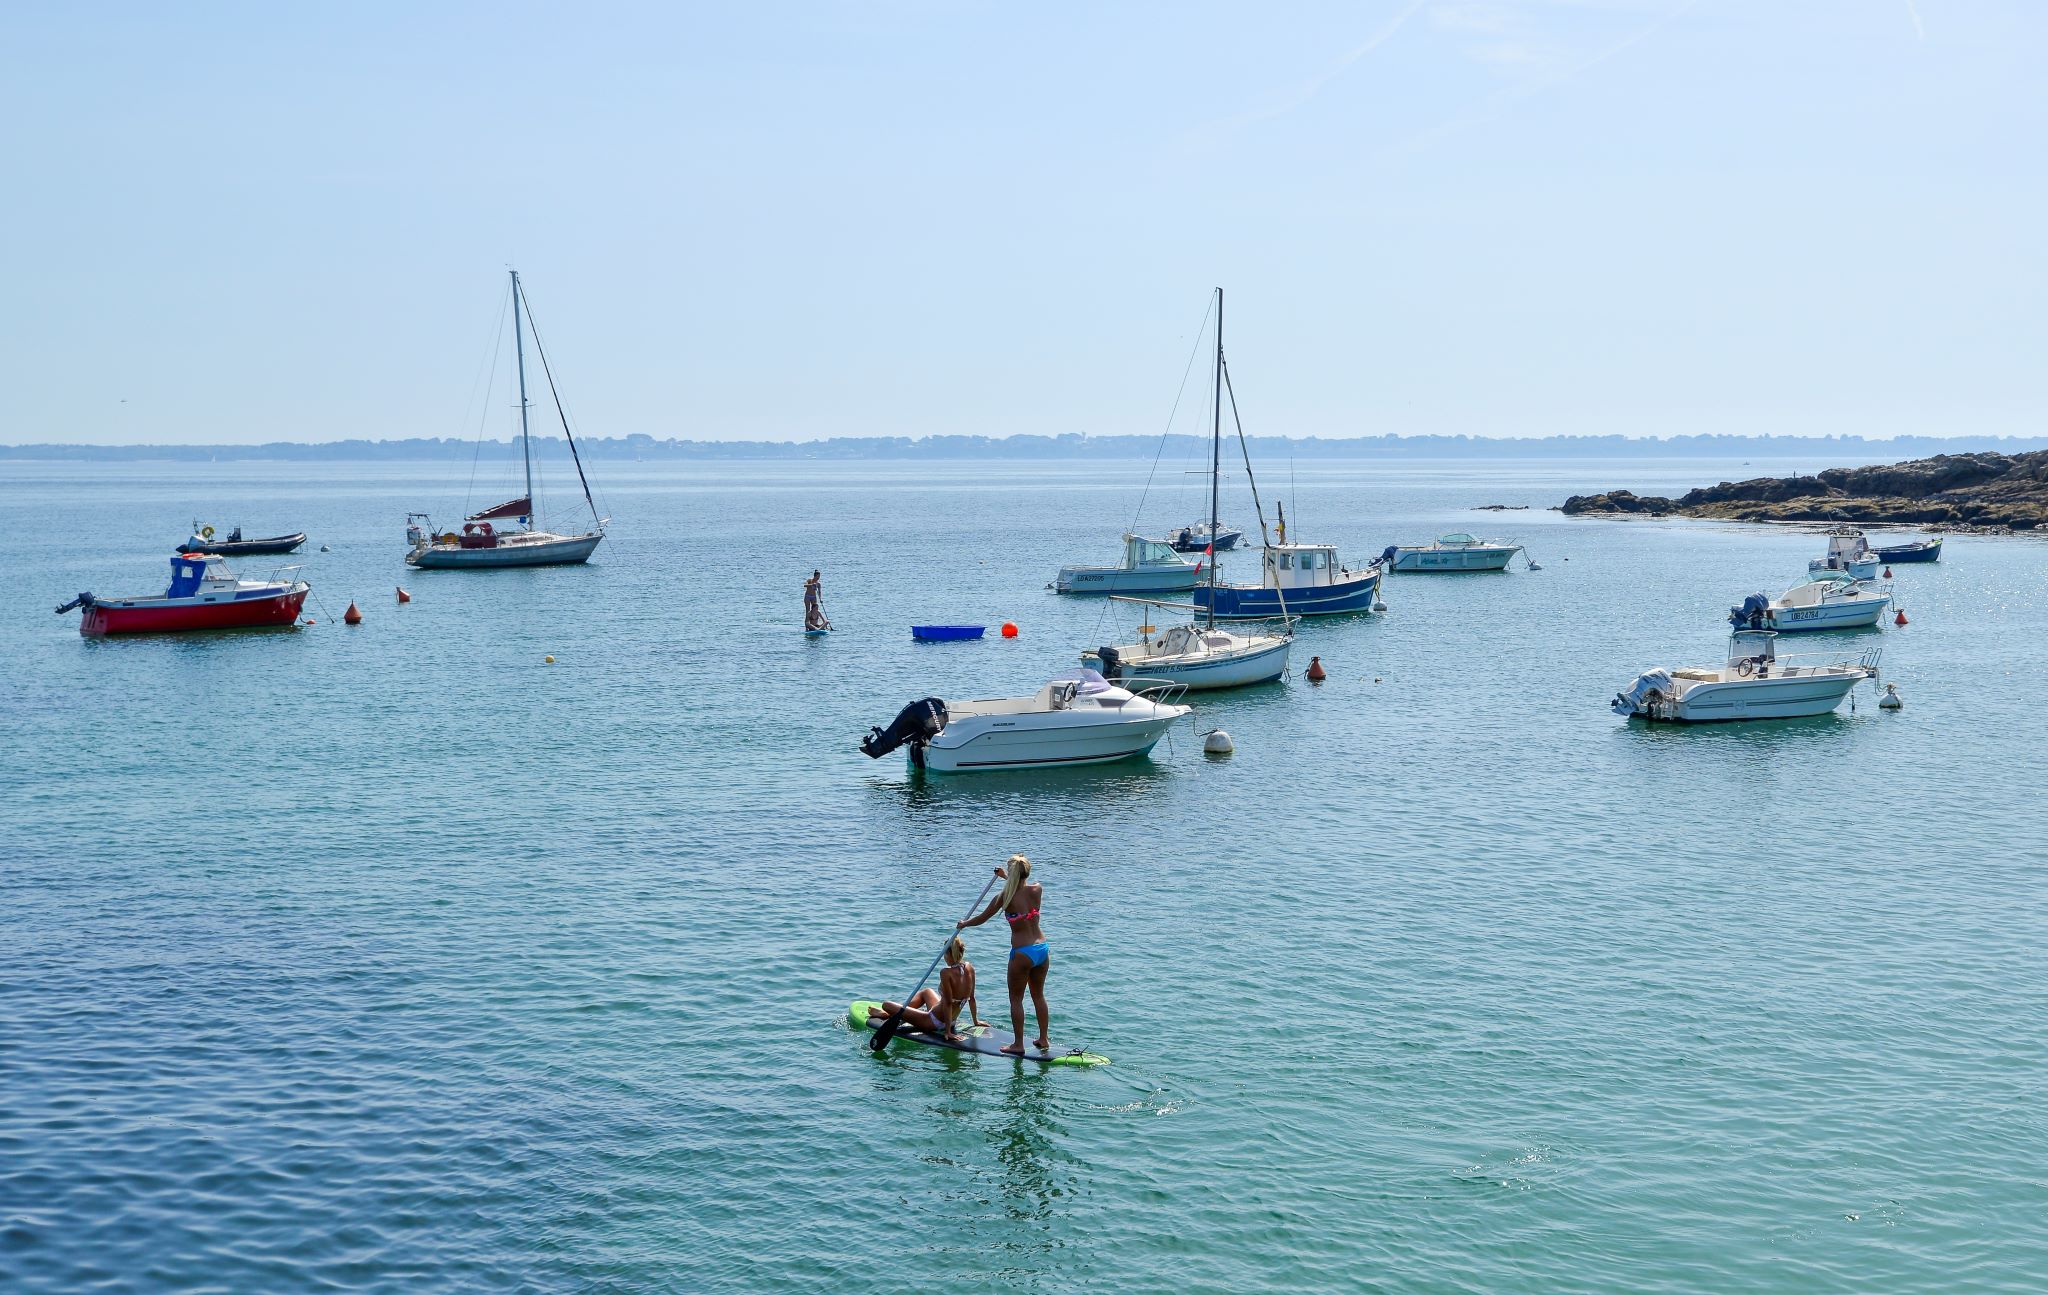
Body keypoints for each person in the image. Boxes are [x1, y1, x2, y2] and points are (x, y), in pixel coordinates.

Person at [959, 853, 1049, 1056]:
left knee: (1016, 999)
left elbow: (982, 918)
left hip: (1022, 953)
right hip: (1042, 949)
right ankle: (1043, 1039)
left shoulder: (1003, 898)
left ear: (1012, 872)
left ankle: (1018, 1044)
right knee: (1038, 996)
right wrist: (1007, 877)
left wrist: (964, 924)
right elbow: (1020, 888)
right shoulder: (1037, 889)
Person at [866, 936, 982, 1042]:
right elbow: (971, 998)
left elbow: (947, 1003)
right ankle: (901, 1013)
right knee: (927, 992)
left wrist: (948, 1032)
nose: (943, 957)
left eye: (944, 954)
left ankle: (887, 1014)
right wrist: (976, 1021)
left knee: (886, 1005)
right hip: (950, 1020)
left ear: (949, 954)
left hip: (934, 1021)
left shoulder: (946, 973)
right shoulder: (969, 967)